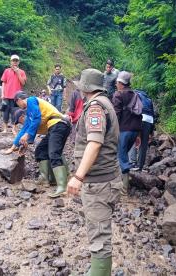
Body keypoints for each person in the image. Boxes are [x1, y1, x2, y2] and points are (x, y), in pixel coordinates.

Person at [67, 68, 122, 276]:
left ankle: (100, 272)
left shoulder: (95, 108)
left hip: (98, 182)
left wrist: (78, 177)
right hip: (107, 179)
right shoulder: (105, 103)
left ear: (86, 88)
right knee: (99, 228)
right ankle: (98, 269)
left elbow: (95, 142)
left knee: (99, 234)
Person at [4, 92, 71, 197]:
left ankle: (63, 186)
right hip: (55, 127)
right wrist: (13, 147)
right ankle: (48, 179)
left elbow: (36, 119)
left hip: (59, 124)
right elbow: (24, 131)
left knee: (53, 152)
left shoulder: (31, 100)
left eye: (19, 121)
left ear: (19, 100)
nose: (20, 123)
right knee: (41, 150)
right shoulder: (30, 118)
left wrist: (27, 135)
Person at [112, 71, 142, 193]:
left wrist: (112, 131)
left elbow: (116, 115)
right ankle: (123, 182)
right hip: (134, 131)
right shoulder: (136, 95)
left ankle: (124, 187)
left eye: (117, 82)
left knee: (121, 156)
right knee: (123, 155)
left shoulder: (118, 95)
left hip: (123, 130)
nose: (116, 84)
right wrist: (138, 134)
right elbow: (140, 115)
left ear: (121, 83)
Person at [129, 90, 156, 171]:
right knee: (144, 143)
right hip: (148, 120)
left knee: (133, 139)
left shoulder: (134, 95)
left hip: (138, 117)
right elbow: (153, 115)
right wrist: (151, 132)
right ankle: (140, 165)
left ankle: (133, 163)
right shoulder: (148, 99)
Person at [0, 54, 27, 133]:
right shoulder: (7, 71)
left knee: (15, 113)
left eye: (16, 61)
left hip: (17, 97)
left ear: (18, 62)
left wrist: (17, 72)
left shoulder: (22, 72)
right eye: (13, 61)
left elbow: (23, 83)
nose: (15, 62)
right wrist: (2, 94)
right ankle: (5, 129)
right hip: (7, 96)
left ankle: (13, 129)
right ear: (10, 62)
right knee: (5, 112)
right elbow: (3, 83)